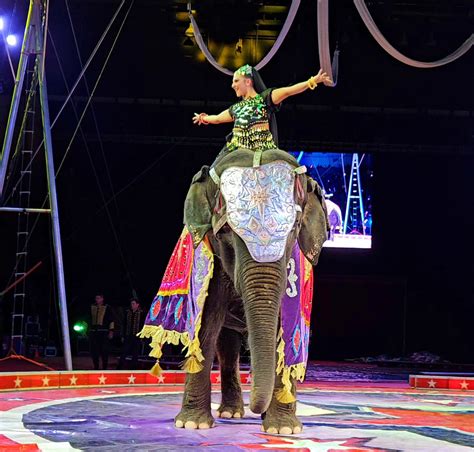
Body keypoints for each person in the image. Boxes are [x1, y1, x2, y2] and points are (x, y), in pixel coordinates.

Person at [192, 65, 332, 166]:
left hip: (263, 148)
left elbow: (289, 91)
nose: (232, 85)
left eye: (236, 81)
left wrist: (312, 81)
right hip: (237, 149)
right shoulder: (236, 108)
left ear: (248, 82)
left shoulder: (265, 99)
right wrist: (203, 118)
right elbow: (216, 118)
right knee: (213, 173)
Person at [117, 298, 144, 370]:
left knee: (135, 354)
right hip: (128, 336)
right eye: (131, 304)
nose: (132, 305)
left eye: (133, 304)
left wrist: (143, 336)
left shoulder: (141, 313)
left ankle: (133, 368)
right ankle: (119, 367)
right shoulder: (128, 312)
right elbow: (124, 324)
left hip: (137, 336)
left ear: (137, 305)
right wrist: (122, 335)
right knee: (124, 352)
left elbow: (143, 325)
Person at [89, 293, 114, 370]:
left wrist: (111, 331)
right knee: (94, 351)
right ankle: (96, 366)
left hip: (103, 332)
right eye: (96, 298)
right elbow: (88, 318)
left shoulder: (107, 307)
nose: (97, 300)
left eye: (99, 298)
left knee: (104, 350)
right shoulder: (92, 307)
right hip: (94, 331)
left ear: (102, 299)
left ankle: (104, 367)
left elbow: (111, 320)